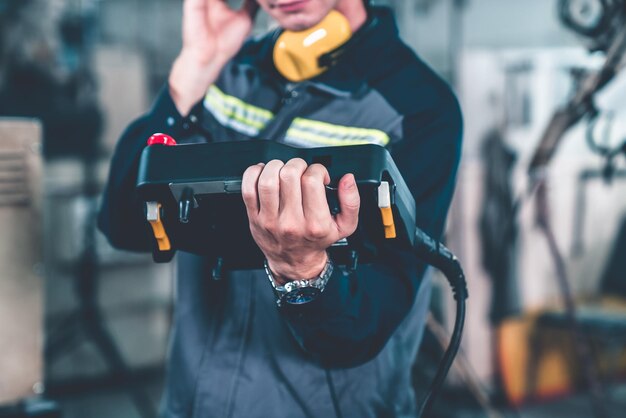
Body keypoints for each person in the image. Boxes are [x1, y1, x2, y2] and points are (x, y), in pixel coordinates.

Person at [98, 0, 463, 416]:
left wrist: (303, 272)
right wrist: (192, 73)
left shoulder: (419, 107)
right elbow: (123, 225)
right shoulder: (226, 74)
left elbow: (366, 324)